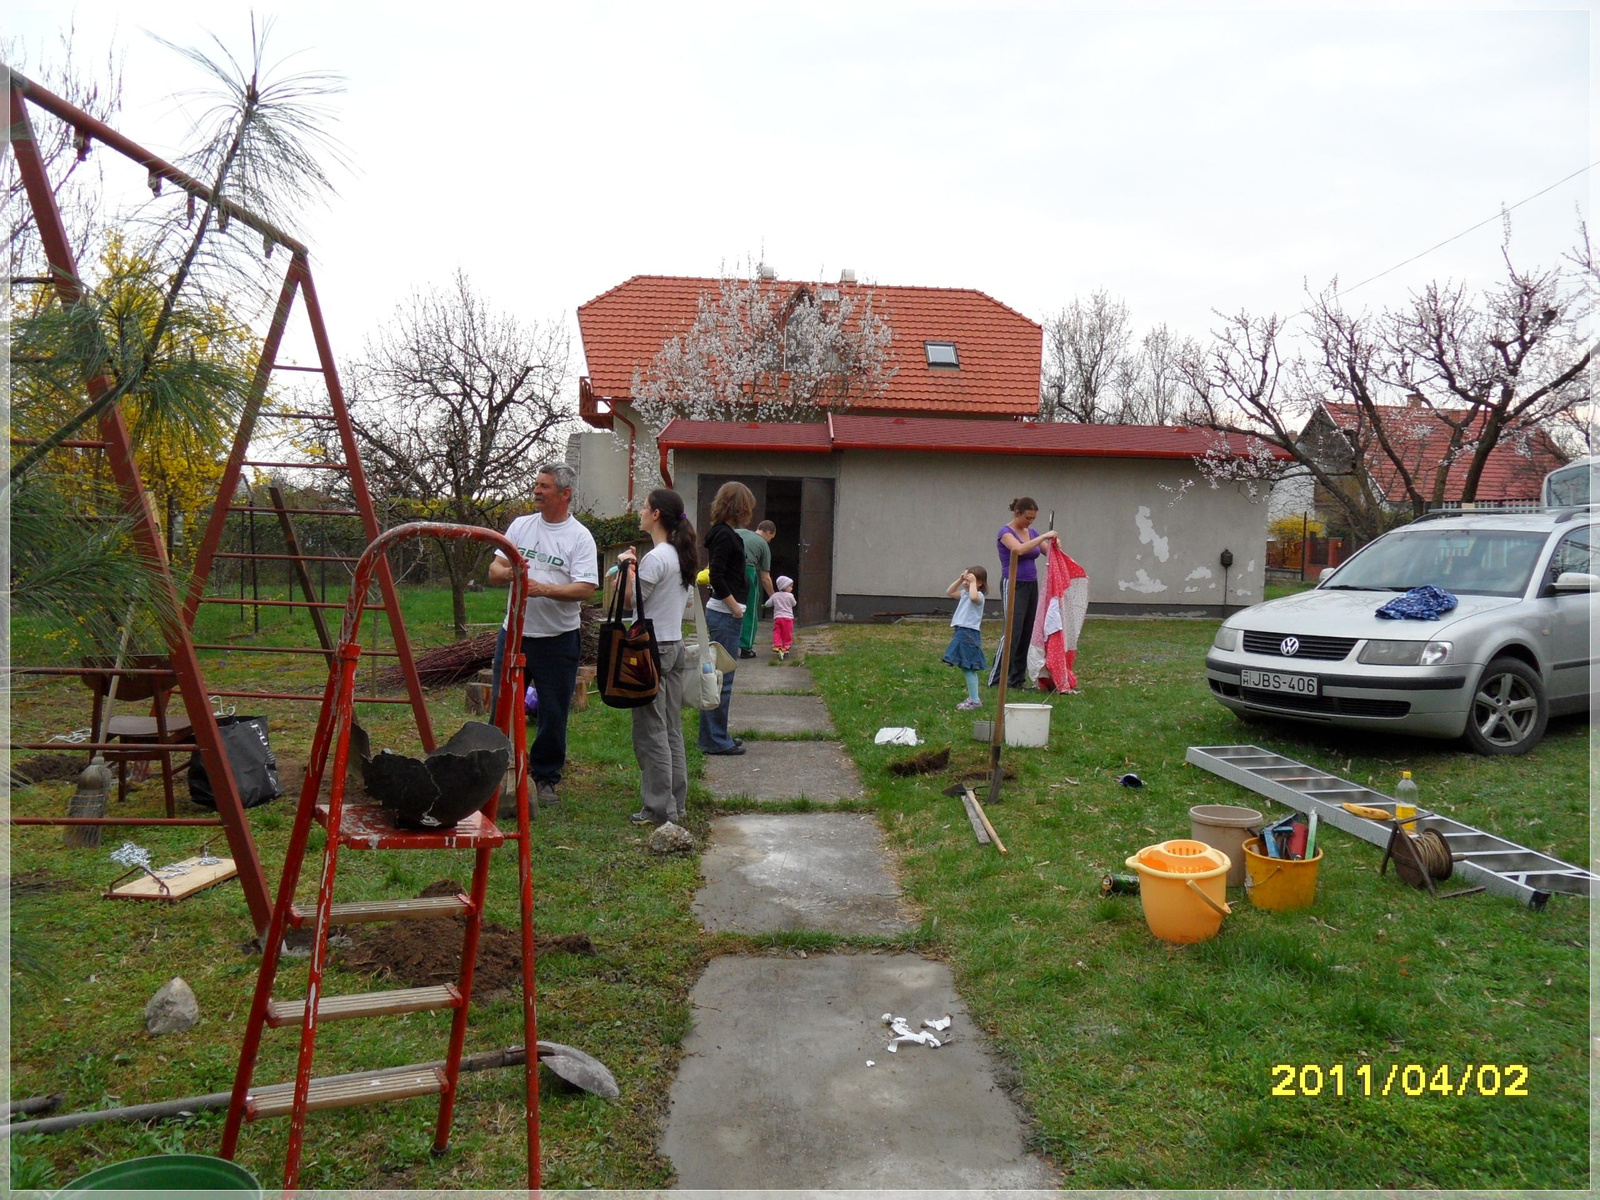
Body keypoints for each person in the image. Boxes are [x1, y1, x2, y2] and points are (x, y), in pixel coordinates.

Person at [488, 462, 599, 814]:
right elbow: (493, 571)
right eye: (536, 485)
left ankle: (545, 776)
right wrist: (510, 573)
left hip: (557, 639)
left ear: (564, 494)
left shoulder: (579, 537)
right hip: (515, 633)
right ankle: (494, 774)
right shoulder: (520, 526)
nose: (537, 491)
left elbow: (586, 589)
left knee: (553, 711)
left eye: (545, 487)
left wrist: (543, 589)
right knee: (503, 704)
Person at [616, 489, 697, 828]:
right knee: (671, 728)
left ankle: (659, 808)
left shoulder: (657, 557)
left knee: (652, 731)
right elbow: (687, 603)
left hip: (652, 650)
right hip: (674, 645)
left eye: (645, 507)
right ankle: (676, 801)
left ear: (657, 515)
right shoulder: (681, 555)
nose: (640, 511)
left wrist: (625, 569)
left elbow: (631, 603)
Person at [698, 481, 754, 756]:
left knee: (717, 676)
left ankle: (715, 735)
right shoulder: (723, 535)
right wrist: (735, 608)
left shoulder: (723, 533)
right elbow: (717, 576)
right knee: (721, 679)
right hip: (724, 616)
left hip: (725, 614)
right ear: (739, 507)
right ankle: (715, 740)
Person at [993, 496, 1058, 689]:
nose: (1030, 522)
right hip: (1013, 584)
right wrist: (1043, 537)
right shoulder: (1005, 532)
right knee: (1012, 632)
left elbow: (1049, 552)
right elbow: (1019, 550)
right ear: (1017, 513)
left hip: (1031, 585)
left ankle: (1016, 680)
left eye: (1033, 519)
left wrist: (1055, 543)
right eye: (1027, 518)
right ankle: (996, 679)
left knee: (1026, 633)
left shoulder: (1032, 532)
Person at [943, 566, 988, 710]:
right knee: (967, 668)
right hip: (961, 631)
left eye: (969, 580)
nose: (966, 583)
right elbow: (949, 592)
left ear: (979, 583)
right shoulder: (964, 594)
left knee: (968, 667)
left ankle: (974, 700)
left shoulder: (979, 596)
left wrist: (973, 583)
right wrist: (960, 579)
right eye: (966, 579)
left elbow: (974, 597)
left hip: (968, 634)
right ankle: (973, 698)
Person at [737, 519, 776, 658]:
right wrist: (774, 597)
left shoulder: (738, 532)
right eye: (771, 537)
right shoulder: (763, 544)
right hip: (747, 570)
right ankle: (746, 649)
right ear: (769, 532)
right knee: (750, 610)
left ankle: (721, 646)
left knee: (724, 607)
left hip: (727, 568)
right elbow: (765, 577)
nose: (770, 540)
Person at [765, 575, 796, 659]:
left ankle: (777, 645)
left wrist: (764, 606)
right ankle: (786, 646)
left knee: (777, 631)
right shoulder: (790, 596)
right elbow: (794, 604)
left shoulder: (775, 595)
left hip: (778, 618)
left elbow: (768, 604)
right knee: (787, 632)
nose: (791, 588)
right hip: (788, 618)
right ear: (785, 586)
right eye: (790, 586)